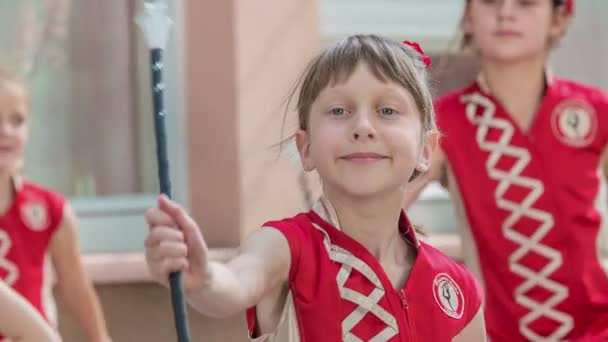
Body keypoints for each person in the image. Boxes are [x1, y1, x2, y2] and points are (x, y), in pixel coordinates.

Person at [145, 34, 486, 341]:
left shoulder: (458, 288)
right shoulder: (285, 247)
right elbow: (235, 283)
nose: (363, 127)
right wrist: (203, 279)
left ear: (426, 151)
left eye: (387, 110)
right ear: (305, 148)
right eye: (339, 110)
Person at [406, 0, 608, 340]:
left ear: (558, 19)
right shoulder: (444, 122)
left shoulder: (595, 110)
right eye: (490, 1)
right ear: (469, 17)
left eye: (526, 3)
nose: (506, 13)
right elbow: (376, 212)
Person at [0, 69, 111, 341]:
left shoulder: (50, 209)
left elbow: (75, 285)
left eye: (17, 120)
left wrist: (101, 338)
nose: (6, 131)